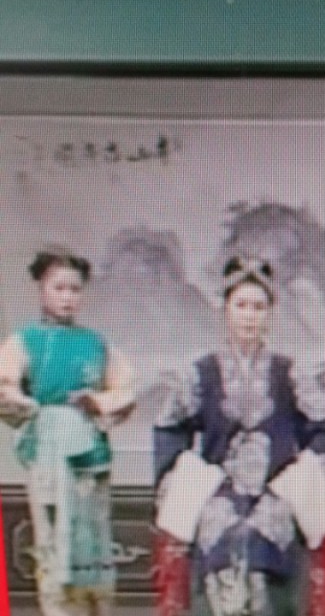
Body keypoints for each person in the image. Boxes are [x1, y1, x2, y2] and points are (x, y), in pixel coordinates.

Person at [153, 256, 325, 616]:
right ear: (225, 309)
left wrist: (299, 482)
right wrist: (186, 482)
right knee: (223, 532)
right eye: (240, 305)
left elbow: (324, 431)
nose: (249, 316)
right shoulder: (201, 373)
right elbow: (169, 428)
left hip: (276, 493)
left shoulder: (290, 373)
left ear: (270, 313)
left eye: (258, 307)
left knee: (267, 534)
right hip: (218, 494)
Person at [0, 249, 136, 616]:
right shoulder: (24, 341)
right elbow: (4, 387)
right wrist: (29, 407)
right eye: (58, 288)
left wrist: (97, 402)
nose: (67, 297)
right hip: (48, 452)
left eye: (75, 289)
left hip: (89, 454)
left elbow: (124, 391)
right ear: (42, 289)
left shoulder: (96, 343)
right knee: (53, 542)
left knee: (93, 538)